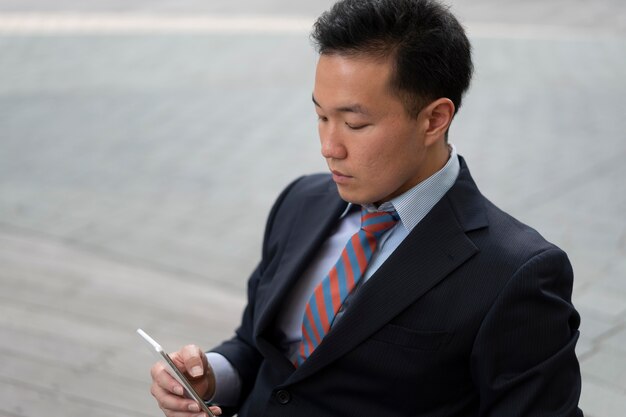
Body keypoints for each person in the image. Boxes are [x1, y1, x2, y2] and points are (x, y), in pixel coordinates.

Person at [149, 0, 583, 416]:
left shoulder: (515, 272)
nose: (328, 147)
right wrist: (210, 378)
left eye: (355, 124)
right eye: (321, 116)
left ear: (434, 119)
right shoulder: (301, 202)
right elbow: (259, 347)